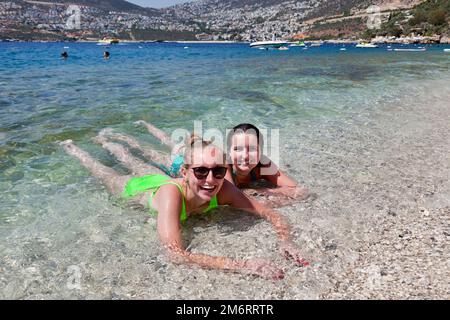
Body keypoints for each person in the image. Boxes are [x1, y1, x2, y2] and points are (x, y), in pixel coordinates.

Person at [59, 135, 309, 279]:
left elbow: (270, 213)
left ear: (225, 171)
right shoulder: (171, 194)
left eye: (218, 171)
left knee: (134, 160)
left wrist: (286, 240)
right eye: (200, 171)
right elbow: (174, 253)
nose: (210, 180)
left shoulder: (224, 189)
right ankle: (81, 146)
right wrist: (243, 265)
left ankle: (110, 141)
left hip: (164, 180)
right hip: (137, 188)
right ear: (184, 171)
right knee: (103, 171)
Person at [225, 123, 310, 206]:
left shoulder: (262, 164)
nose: (245, 156)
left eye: (252, 149)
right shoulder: (223, 168)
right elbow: (234, 199)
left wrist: (260, 191)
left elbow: (301, 192)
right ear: (229, 151)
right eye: (238, 149)